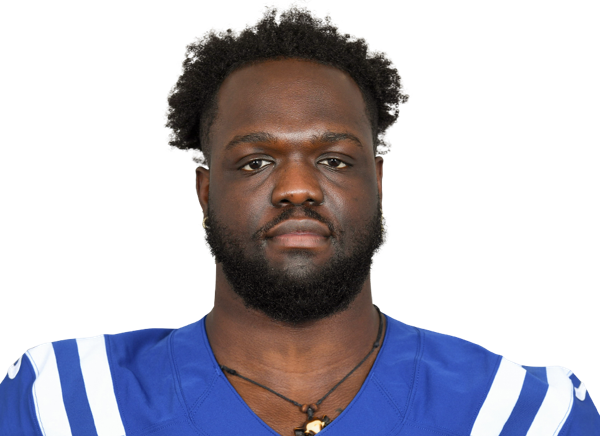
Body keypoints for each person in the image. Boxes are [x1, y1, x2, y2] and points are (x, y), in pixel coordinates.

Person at [1, 2, 597, 435]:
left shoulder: (521, 414)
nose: (297, 188)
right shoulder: (63, 403)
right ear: (205, 191)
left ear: (378, 183)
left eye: (334, 160)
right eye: (255, 161)